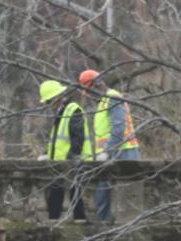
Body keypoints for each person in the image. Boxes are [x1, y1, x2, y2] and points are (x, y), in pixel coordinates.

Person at [78, 69, 141, 222]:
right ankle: (105, 229)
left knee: (125, 198)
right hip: (112, 154)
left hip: (123, 153)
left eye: (89, 90)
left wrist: (106, 151)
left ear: (97, 84)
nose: (90, 95)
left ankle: (115, 231)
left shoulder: (112, 98)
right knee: (103, 195)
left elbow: (118, 129)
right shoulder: (104, 101)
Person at [38, 79, 93, 220]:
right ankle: (54, 221)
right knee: (56, 195)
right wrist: (48, 154)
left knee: (75, 196)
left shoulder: (73, 110)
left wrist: (72, 155)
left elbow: (77, 137)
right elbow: (58, 140)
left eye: (48, 102)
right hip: (60, 163)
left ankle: (78, 222)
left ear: (56, 98)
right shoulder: (61, 111)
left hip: (73, 163)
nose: (48, 105)